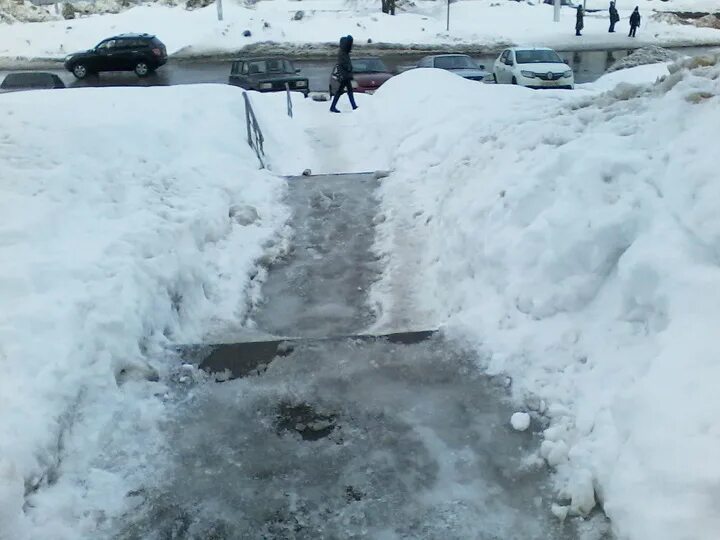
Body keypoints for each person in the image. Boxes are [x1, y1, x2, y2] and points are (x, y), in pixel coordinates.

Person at [330, 35, 357, 113]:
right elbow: (343, 63)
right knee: (344, 91)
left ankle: (353, 105)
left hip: (345, 75)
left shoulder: (343, 52)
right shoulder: (343, 53)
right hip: (345, 75)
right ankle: (333, 107)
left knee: (347, 90)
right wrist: (349, 67)